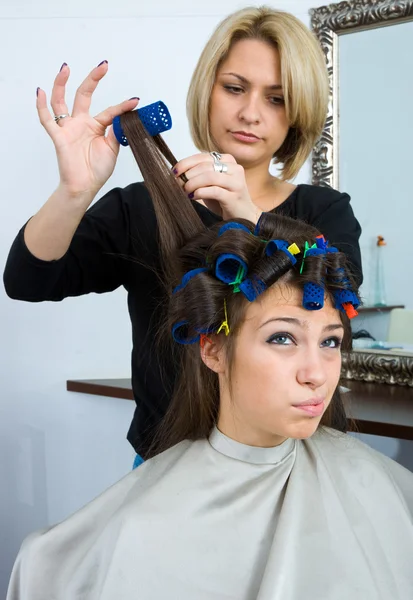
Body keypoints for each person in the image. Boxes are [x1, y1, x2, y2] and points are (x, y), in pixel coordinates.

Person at [3, 6, 362, 458]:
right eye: (234, 88)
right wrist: (75, 191)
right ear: (207, 91)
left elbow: (337, 304)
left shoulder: (324, 211)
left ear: (299, 112)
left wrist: (249, 215)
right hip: (167, 464)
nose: (250, 113)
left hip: (294, 461)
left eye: (277, 97)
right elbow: (27, 281)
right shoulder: (140, 208)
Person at [6, 212, 412, 600]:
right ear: (213, 350)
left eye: (330, 342)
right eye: (282, 338)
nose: (317, 374)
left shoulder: (376, 482)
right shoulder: (145, 527)